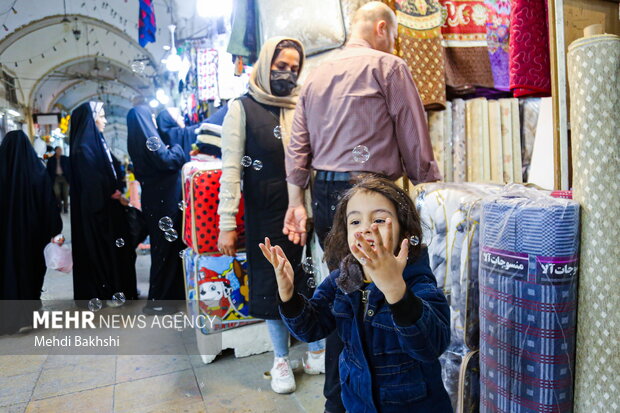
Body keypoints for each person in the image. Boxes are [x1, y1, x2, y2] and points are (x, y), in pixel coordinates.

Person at [283, 3, 441, 411]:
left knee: (345, 292)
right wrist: (431, 192)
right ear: (382, 28)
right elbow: (412, 132)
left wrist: (295, 202)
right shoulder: (387, 66)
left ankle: (341, 399)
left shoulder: (315, 75)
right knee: (390, 282)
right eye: (394, 35)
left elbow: (298, 144)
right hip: (377, 193)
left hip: (327, 194)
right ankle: (391, 386)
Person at [260, 176, 452, 412]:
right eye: (355, 222)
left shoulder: (416, 281)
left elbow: (431, 346)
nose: (365, 229)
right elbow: (311, 328)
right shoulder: (342, 279)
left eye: (379, 219)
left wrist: (394, 289)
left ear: (404, 229)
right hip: (357, 404)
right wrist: (289, 295)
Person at [216, 37, 325, 394]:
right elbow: (231, 170)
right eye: (281, 67)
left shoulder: (300, 105)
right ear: (265, 65)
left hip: (304, 212)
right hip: (265, 216)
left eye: (294, 69)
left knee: (309, 281)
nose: (288, 75)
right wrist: (227, 224)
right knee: (272, 288)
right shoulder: (242, 109)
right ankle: (280, 359)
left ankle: (315, 350)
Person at [70, 102, 138, 304]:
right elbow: (92, 184)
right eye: (101, 115)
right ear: (91, 119)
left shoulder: (96, 143)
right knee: (102, 252)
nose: (105, 120)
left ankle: (119, 287)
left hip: (109, 210)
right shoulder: (84, 148)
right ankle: (106, 288)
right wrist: (111, 192)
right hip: (98, 214)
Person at [0, 130, 63, 334]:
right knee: (30, 272)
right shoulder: (37, 171)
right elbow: (49, 204)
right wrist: (55, 229)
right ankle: (29, 315)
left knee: (6, 272)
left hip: (5, 239)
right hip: (32, 237)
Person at [127, 105, 186, 311]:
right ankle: (160, 302)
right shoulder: (148, 142)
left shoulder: (140, 141)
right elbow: (167, 160)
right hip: (162, 202)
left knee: (167, 250)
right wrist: (178, 148)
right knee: (165, 251)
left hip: (159, 201)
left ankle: (169, 297)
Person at [46, 146, 71, 213]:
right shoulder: (51, 160)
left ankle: (65, 208)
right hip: (55, 178)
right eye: (58, 150)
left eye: (60, 150)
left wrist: (69, 178)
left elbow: (69, 168)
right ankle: (59, 206)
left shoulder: (65, 158)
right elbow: (48, 170)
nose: (60, 151)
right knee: (57, 193)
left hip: (64, 178)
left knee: (66, 194)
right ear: (55, 151)